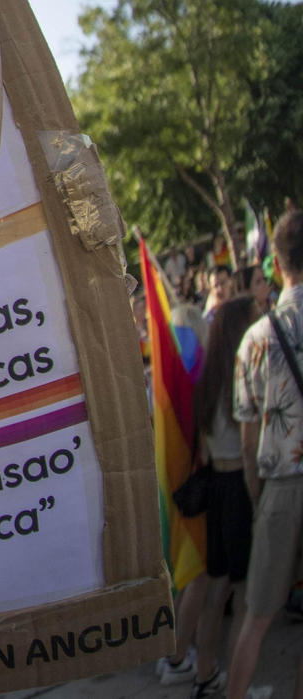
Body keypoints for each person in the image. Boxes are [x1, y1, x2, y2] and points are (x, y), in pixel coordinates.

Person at [159, 295, 262, 695]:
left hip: (217, 487)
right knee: (245, 599)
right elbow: (250, 445)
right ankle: (239, 687)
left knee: (217, 593)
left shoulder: (206, 384)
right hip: (239, 487)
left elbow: (202, 448)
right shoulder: (237, 381)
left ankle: (205, 676)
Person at [226, 209, 303, 699]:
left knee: (256, 616)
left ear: (276, 261)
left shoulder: (255, 337)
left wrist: (256, 494)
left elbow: (248, 435)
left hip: (279, 485)